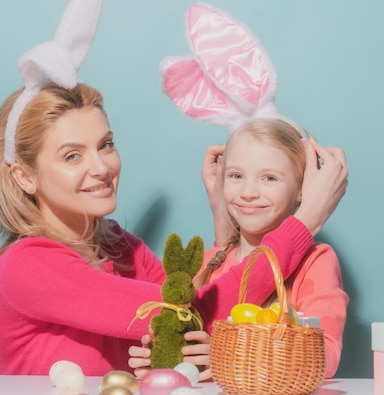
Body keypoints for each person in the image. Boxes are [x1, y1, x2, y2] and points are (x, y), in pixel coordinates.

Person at [0, 82, 348, 376]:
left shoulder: (123, 249)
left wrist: (226, 220)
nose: (101, 167)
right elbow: (182, 317)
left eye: (105, 145)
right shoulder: (26, 265)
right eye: (72, 156)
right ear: (25, 177)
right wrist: (305, 222)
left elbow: (197, 317)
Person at [128, 119, 348, 379]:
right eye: (236, 175)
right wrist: (161, 357)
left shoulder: (316, 262)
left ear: (302, 189)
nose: (248, 192)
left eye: (269, 178)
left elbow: (325, 355)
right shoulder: (208, 263)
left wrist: (228, 357)